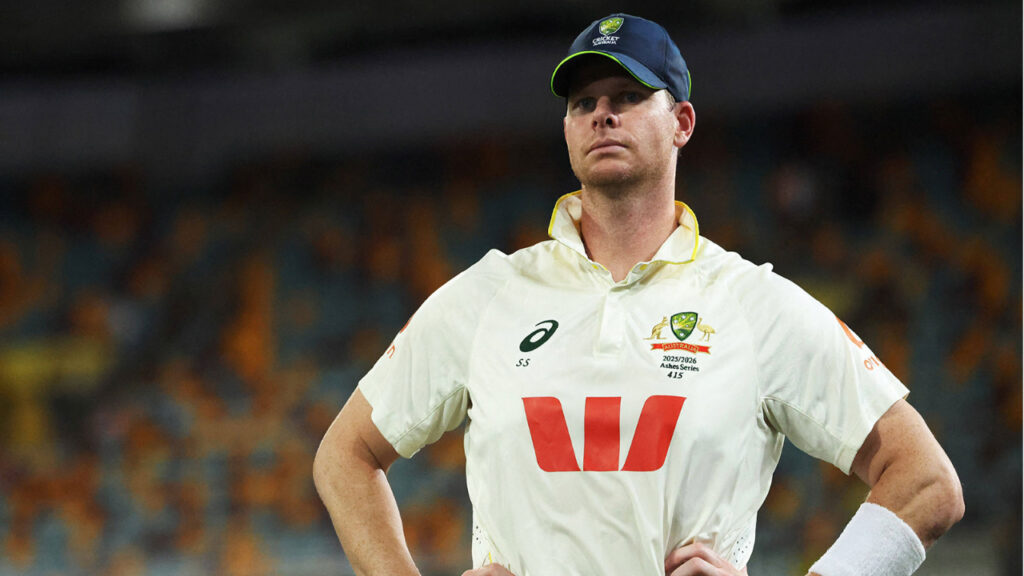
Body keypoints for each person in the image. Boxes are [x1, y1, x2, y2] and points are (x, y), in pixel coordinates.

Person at [313, 13, 964, 576]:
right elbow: (344, 456)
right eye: (582, 103)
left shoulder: (752, 304)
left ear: (682, 122)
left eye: (628, 95)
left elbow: (926, 480)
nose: (602, 113)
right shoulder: (487, 297)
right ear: (567, 130)